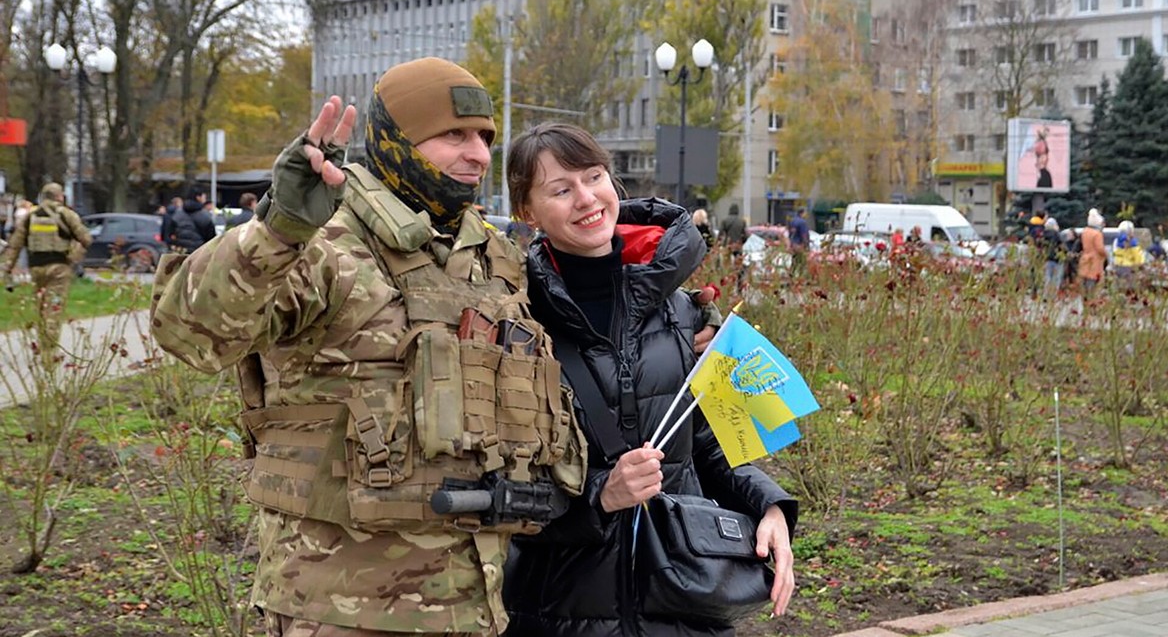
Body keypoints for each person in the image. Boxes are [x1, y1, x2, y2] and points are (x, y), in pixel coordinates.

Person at [151, 58, 589, 636]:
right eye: (453, 135)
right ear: (396, 141)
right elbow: (190, 331)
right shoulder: (327, 245)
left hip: (474, 604)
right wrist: (280, 226)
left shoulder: (493, 260)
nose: (479, 155)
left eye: (484, 137)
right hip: (338, 606)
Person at [501, 122, 797, 636]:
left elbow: (709, 437)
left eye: (594, 177)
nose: (586, 198)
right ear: (527, 212)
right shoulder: (515, 322)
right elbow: (499, 484)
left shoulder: (684, 312)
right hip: (561, 610)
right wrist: (600, 496)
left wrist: (767, 504)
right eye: (560, 189)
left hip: (682, 596)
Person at [0, 183, 93, 352]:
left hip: (36, 268)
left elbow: (15, 245)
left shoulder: (30, 216)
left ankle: (42, 340)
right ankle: (49, 348)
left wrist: (7, 269)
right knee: (54, 307)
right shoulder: (66, 214)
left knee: (41, 306)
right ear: (59, 196)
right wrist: (73, 258)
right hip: (59, 267)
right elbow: (86, 239)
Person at [161, 188, 216, 253]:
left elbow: (169, 233)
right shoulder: (205, 215)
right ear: (198, 197)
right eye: (204, 197)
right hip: (198, 252)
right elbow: (211, 238)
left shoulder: (177, 213)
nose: (205, 199)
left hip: (180, 250)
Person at [1079, 208, 1107, 296]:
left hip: (1085, 260)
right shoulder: (1097, 234)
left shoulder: (1085, 231)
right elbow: (1100, 249)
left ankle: (1085, 303)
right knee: (1093, 286)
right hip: (1095, 262)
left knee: (1085, 285)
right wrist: (1106, 255)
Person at [1112, 219, 1145, 288]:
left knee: (1118, 287)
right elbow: (1137, 257)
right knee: (1131, 289)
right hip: (1129, 268)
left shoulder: (1116, 241)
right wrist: (1141, 265)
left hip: (1118, 266)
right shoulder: (1132, 242)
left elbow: (1114, 254)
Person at [1040, 217, 1065, 298]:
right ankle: (1053, 296)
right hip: (1056, 258)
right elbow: (1062, 245)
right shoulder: (1056, 233)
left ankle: (1045, 295)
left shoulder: (1044, 234)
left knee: (1047, 277)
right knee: (1056, 278)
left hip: (1047, 258)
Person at [788, 207, 810, 277]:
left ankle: (791, 274)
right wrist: (806, 244)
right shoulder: (802, 222)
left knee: (795, 260)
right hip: (800, 244)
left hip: (793, 243)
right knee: (802, 261)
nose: (806, 214)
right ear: (802, 213)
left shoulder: (793, 221)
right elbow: (803, 234)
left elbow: (790, 233)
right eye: (805, 213)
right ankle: (801, 276)